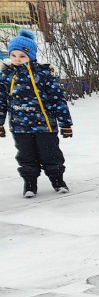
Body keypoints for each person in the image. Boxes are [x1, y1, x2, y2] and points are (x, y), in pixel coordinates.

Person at [0, 29, 73, 198]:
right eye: (14, 56)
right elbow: (1, 100)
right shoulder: (6, 76)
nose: (17, 60)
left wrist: (65, 124)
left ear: (31, 56)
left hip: (45, 125)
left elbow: (58, 100)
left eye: (22, 56)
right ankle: (30, 183)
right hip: (20, 127)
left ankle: (57, 180)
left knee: (51, 154)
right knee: (26, 156)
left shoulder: (43, 75)